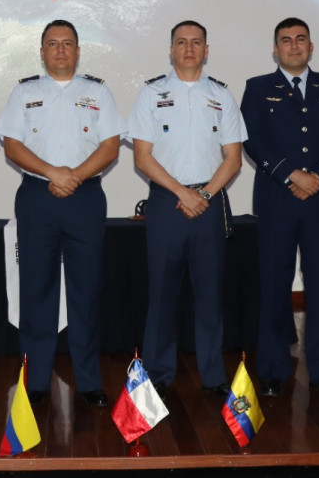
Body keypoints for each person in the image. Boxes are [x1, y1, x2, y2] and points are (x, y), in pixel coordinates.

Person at [0, 20, 125, 406]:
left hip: (85, 199)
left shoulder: (98, 91)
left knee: (86, 292)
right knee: (37, 291)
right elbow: (12, 146)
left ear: (78, 50)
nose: (60, 50)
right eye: (52, 44)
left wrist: (74, 177)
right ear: (41, 51)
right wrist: (54, 173)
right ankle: (36, 381)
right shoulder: (24, 92)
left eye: (67, 43)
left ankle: (89, 383)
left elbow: (111, 145)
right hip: (38, 198)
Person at [127, 21, 245, 398]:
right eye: (181, 42)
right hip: (166, 201)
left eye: (196, 43)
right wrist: (182, 192)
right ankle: (159, 373)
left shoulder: (222, 96)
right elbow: (142, 158)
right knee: (162, 293)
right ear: (171, 50)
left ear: (206, 50)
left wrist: (205, 195)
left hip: (208, 202)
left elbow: (234, 158)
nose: (189, 49)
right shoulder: (151, 93)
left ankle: (212, 375)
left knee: (209, 293)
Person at [241, 16, 319, 398]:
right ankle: (273, 370)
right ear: (275, 49)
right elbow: (252, 141)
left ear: (311, 46)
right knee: (274, 287)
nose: (293, 46)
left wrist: (318, 176)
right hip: (277, 202)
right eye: (285, 40)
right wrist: (291, 175)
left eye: (300, 39)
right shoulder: (258, 88)